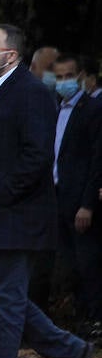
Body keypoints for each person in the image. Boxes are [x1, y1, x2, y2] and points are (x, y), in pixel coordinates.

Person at [0, 24, 93, 358]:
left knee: (4, 297)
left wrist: (2, 195)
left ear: (11, 55)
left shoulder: (30, 93)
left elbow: (36, 156)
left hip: (13, 216)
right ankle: (69, 349)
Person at [47, 53, 102, 338]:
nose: (64, 82)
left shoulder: (91, 109)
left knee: (89, 262)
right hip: (59, 199)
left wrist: (87, 204)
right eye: (59, 76)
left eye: (69, 76)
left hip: (80, 202)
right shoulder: (55, 110)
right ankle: (82, 319)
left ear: (80, 76)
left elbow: (97, 160)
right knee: (71, 263)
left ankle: (95, 319)